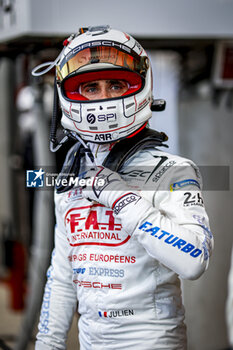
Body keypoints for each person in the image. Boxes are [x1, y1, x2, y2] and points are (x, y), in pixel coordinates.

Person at [34, 25, 213, 350]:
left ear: (138, 89)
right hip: (91, 341)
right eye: (90, 87)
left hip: (153, 342)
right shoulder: (71, 176)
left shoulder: (172, 170)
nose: (104, 98)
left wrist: (124, 200)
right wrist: (47, 343)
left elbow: (194, 259)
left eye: (115, 85)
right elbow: (61, 277)